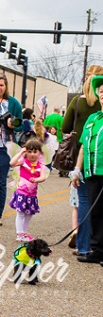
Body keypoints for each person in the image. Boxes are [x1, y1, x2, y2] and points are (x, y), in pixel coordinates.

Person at [63, 64, 103, 256]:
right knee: (94, 203)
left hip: (82, 155)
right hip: (90, 157)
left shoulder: (78, 102)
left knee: (84, 202)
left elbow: (65, 126)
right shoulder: (98, 109)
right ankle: (92, 245)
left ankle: (84, 244)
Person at [0, 72, 23, 227]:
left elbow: (21, 124)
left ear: (6, 86)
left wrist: (12, 124)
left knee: (0, 182)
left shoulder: (13, 102)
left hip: (3, 147)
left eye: (2, 85)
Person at [8, 139, 48, 242]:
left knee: (29, 214)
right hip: (22, 193)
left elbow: (43, 177)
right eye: (29, 151)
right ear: (26, 152)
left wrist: (37, 179)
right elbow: (12, 163)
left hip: (32, 195)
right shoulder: (23, 161)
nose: (32, 154)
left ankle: (24, 232)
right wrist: (21, 152)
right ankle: (19, 233)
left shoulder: (41, 166)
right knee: (20, 213)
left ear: (40, 152)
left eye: (35, 151)